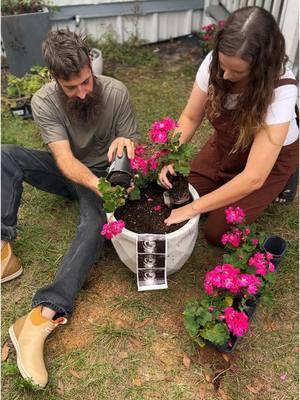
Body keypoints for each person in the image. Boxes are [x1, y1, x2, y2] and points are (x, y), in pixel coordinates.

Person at [1, 29, 139, 387]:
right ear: (54, 78)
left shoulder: (116, 91)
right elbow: (62, 158)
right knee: (5, 155)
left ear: (90, 66)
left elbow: (131, 141)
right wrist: (97, 186)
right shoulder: (45, 100)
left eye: (86, 81)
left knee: (94, 225)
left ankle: (38, 318)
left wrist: (127, 145)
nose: (83, 92)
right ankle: (3, 253)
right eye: (72, 87)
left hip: (102, 175)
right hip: (69, 172)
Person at [160, 6, 299, 245]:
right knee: (180, 194)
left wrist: (192, 210)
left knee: (216, 232)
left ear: (261, 68)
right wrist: (169, 153)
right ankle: (223, 181)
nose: (224, 76)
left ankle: (284, 181)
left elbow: (254, 176)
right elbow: (191, 117)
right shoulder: (218, 62)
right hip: (228, 144)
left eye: (236, 71)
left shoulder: (281, 90)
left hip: (269, 161)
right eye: (223, 66)